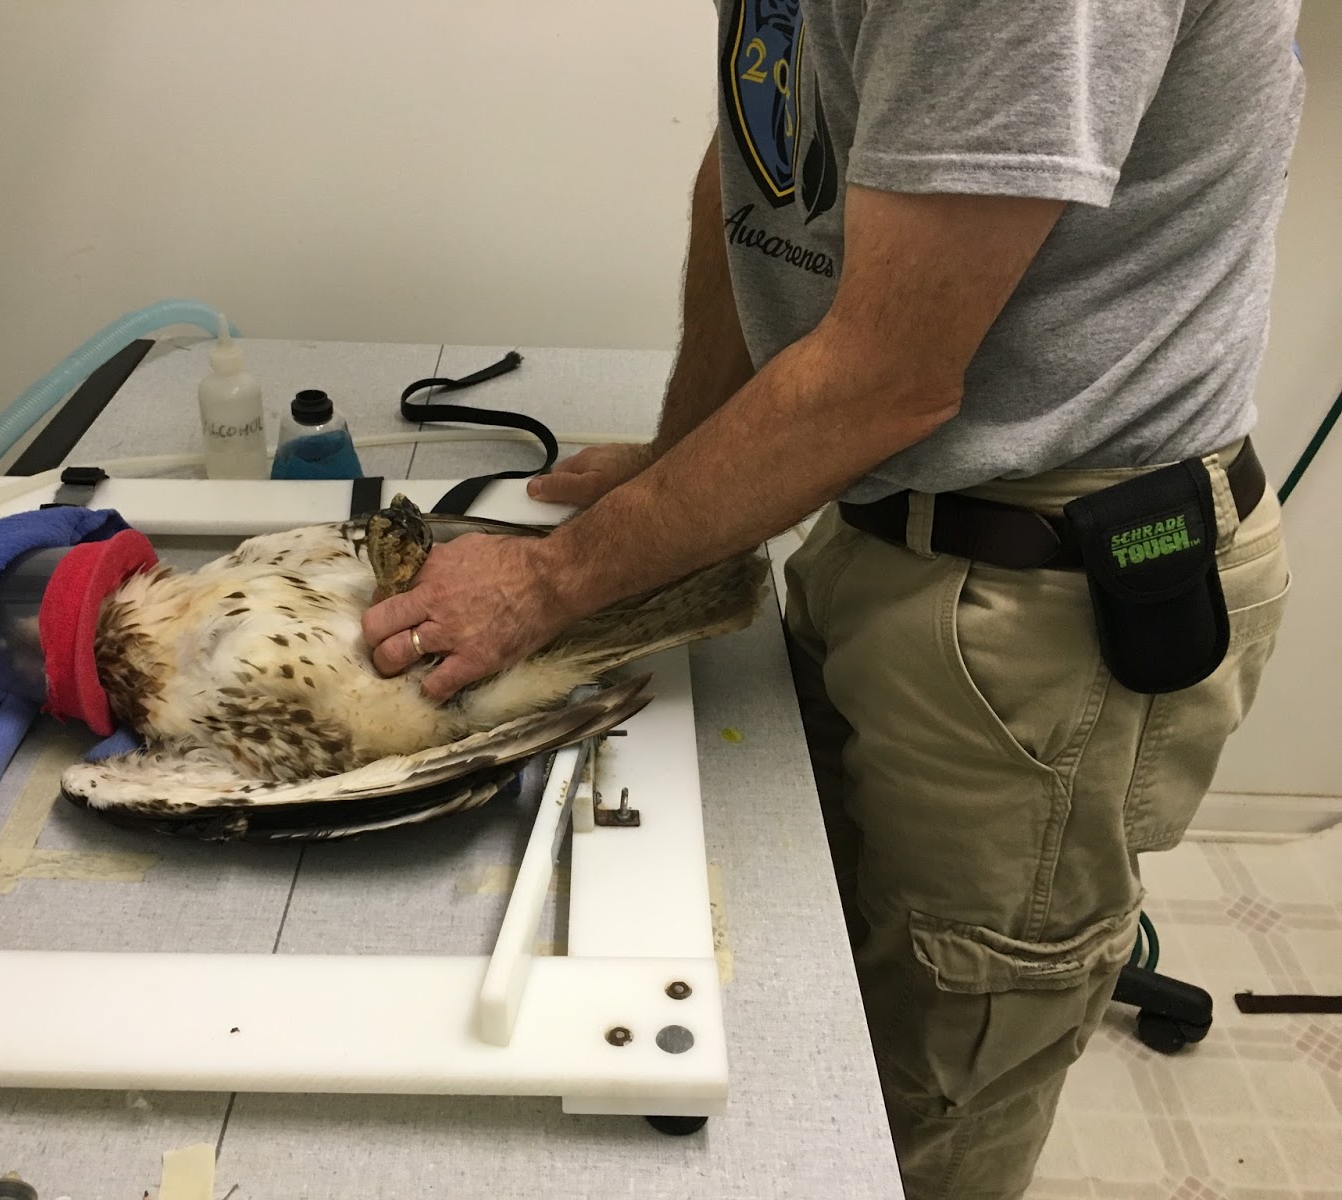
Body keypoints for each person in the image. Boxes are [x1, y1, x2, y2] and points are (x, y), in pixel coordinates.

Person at [363, 2, 1304, 1194]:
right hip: (881, 517)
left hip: (1045, 587)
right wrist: (680, 458)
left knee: (940, 1074)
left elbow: (886, 379)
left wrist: (549, 580)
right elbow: (758, 172)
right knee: (808, 978)